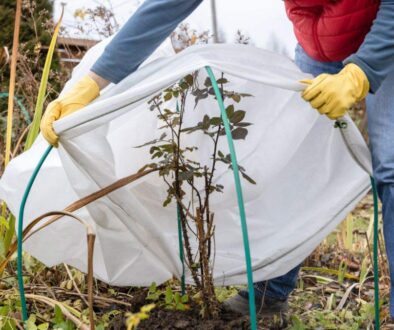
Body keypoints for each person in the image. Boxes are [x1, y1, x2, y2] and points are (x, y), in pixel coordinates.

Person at [40, 0, 394, 317]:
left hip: (386, 31)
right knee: (290, 155)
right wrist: (92, 84)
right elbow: (168, 5)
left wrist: (363, 70)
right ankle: (269, 294)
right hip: (320, 38)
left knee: (390, 167)